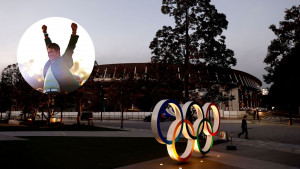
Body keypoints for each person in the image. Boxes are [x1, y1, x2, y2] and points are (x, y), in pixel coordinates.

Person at [42, 23, 80, 94]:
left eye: (52, 52)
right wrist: (45, 33)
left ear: (58, 52)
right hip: (47, 93)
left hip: (57, 92)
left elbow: (70, 47)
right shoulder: (49, 64)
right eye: (48, 52)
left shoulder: (61, 62)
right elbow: (48, 45)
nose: (49, 54)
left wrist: (74, 33)